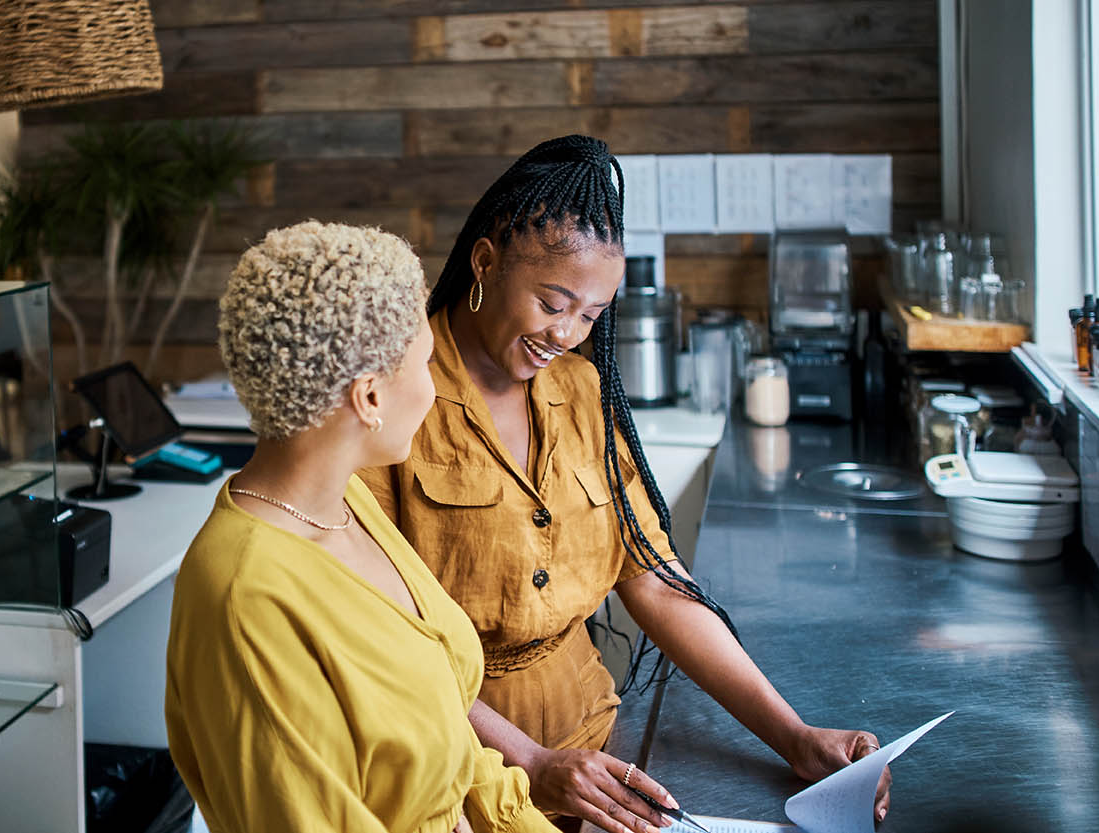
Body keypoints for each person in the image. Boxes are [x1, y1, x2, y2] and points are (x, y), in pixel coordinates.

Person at [358, 136, 891, 832]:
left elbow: (655, 579)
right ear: (485, 262)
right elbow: (378, 638)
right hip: (454, 771)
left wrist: (794, 735)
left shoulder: (581, 391)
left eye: (591, 314)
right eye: (554, 302)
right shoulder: (394, 398)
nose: (569, 334)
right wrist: (531, 759)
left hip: (592, 754)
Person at [166, 222, 622, 833]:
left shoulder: (348, 500)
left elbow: (454, 756)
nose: (436, 391)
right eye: (427, 363)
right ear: (370, 397)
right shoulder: (245, 597)